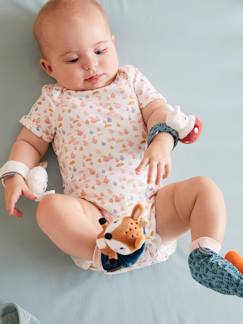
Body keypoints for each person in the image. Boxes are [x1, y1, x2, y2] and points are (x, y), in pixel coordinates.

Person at [1, 0, 242, 295]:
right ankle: (106, 255)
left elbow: (159, 113)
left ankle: (205, 253)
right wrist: (14, 174)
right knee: (49, 209)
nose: (91, 64)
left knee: (204, 189)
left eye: (100, 51)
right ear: (48, 67)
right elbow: (29, 141)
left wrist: (162, 141)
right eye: (73, 59)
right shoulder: (54, 101)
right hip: (96, 222)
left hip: (152, 211)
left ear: (113, 44)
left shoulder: (130, 80)